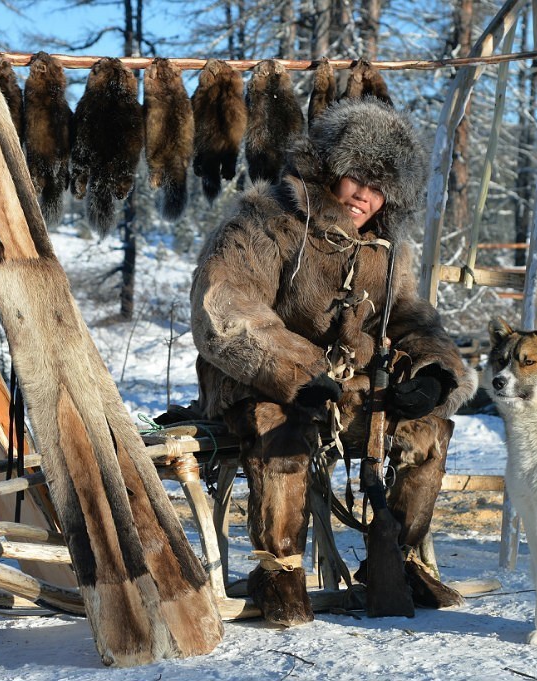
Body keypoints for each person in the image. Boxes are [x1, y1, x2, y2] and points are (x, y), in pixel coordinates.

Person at [189, 98, 477, 626]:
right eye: (356, 177)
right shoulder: (266, 220)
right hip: (264, 384)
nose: (365, 196)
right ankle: (281, 575)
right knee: (281, 433)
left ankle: (399, 561)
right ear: (328, 169)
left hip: (347, 391)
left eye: (379, 186)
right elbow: (225, 307)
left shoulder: (387, 248)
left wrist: (433, 373)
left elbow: (408, 318)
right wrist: (300, 373)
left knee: (428, 431)